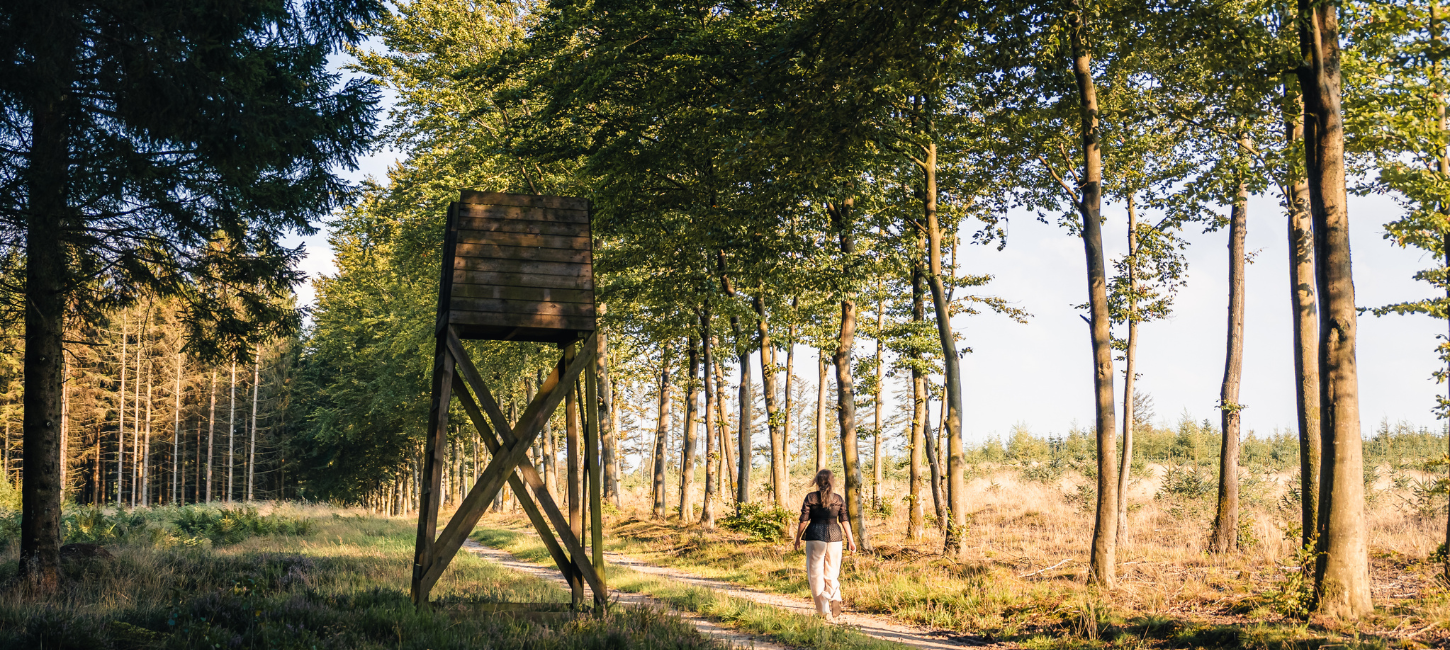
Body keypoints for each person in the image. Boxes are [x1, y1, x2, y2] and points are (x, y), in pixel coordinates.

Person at [793, 469, 857, 622]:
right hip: (835, 537)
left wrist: (797, 538)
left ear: (817, 481)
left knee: (815, 574)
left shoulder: (811, 497)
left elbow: (804, 520)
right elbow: (844, 520)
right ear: (831, 481)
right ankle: (835, 595)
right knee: (832, 571)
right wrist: (851, 540)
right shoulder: (838, 499)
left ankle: (823, 611)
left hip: (815, 536)